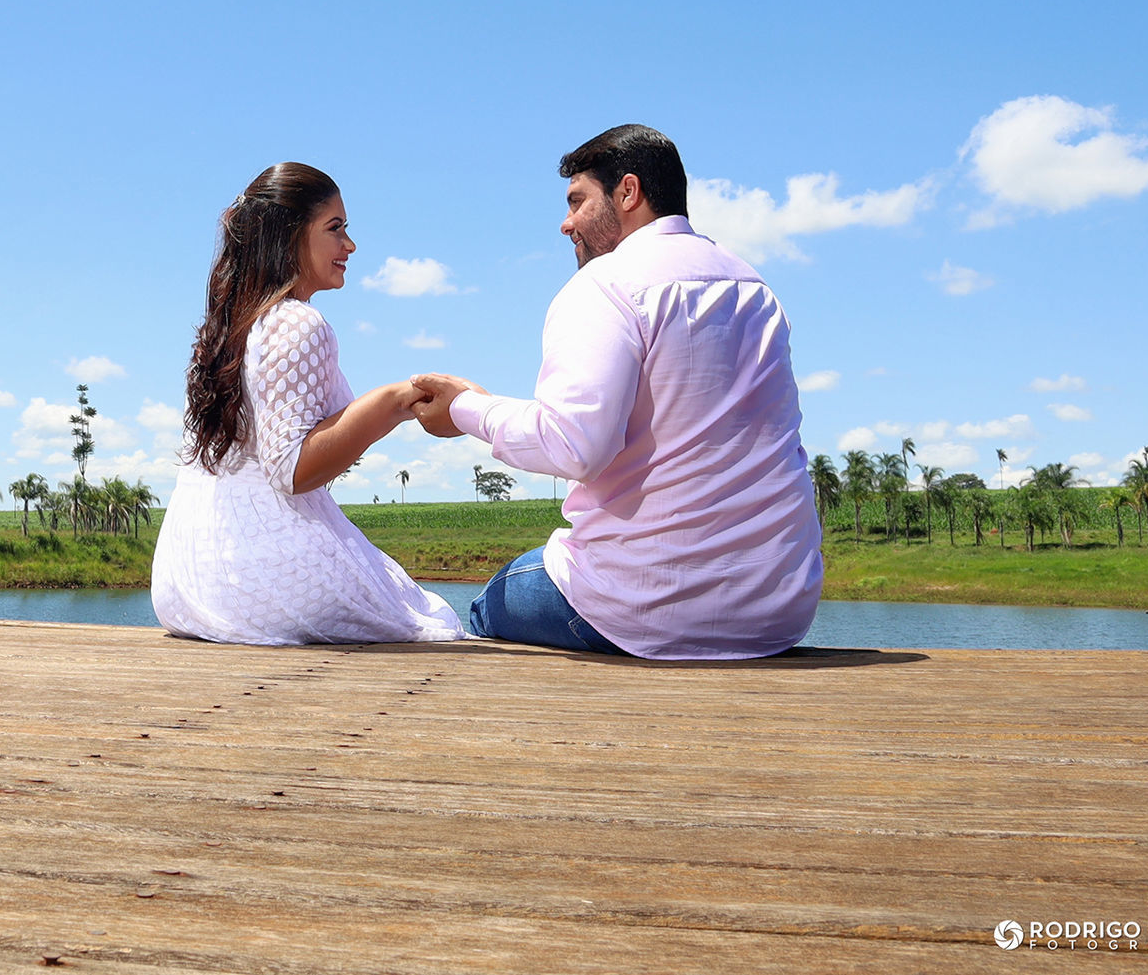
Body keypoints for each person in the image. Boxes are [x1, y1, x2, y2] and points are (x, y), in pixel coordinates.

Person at [411, 125, 823, 659]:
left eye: (577, 202)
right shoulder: (755, 289)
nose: (566, 224)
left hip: (642, 607)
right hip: (779, 609)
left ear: (628, 193)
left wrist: (466, 407)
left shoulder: (605, 284)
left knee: (490, 603)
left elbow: (574, 446)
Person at [152, 162, 466, 645]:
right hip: (267, 576)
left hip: (189, 579)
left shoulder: (237, 323)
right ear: (289, 236)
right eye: (335, 228)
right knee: (437, 619)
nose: (350, 245)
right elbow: (291, 470)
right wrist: (394, 399)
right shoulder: (297, 323)